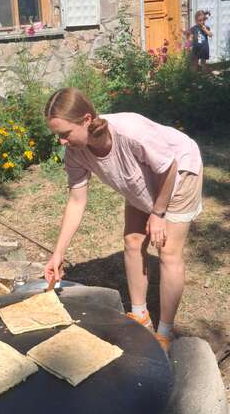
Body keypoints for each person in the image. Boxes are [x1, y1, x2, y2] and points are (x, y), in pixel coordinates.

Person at [44, 88, 203, 351]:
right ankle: (140, 315)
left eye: (65, 133)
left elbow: (170, 166)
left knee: (168, 251)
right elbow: (76, 200)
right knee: (132, 241)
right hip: (140, 178)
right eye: (58, 136)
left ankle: (165, 332)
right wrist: (58, 253)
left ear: (86, 119)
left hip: (179, 172)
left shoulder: (131, 131)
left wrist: (158, 213)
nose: (61, 141)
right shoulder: (75, 150)